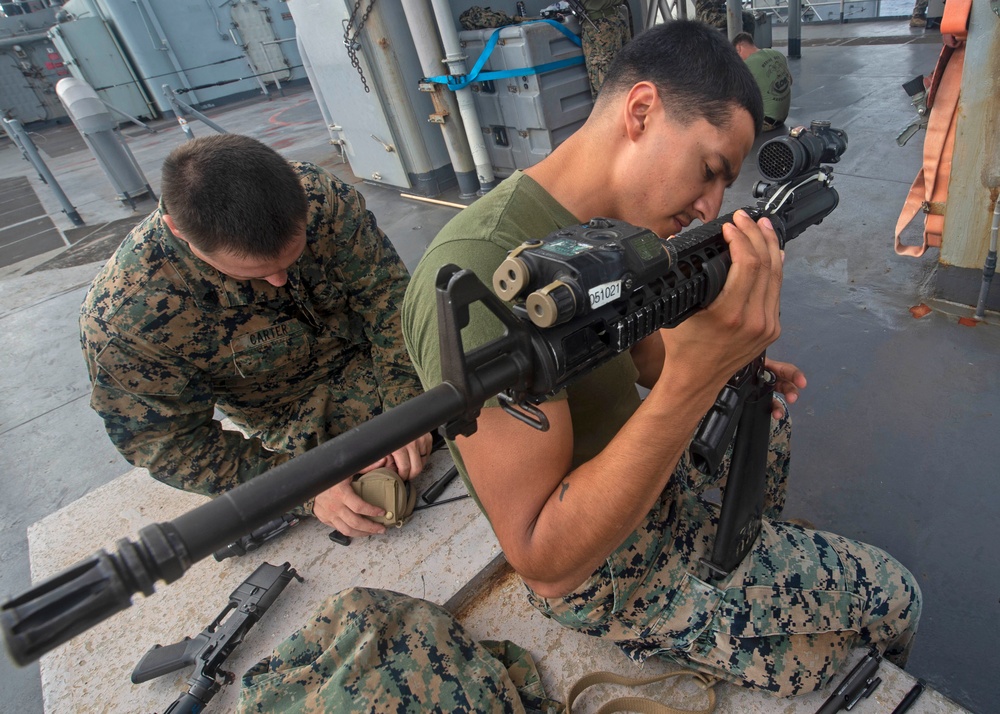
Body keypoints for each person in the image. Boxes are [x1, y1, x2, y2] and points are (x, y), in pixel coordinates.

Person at [402, 20, 920, 698]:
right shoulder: (480, 273)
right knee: (895, 597)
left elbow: (645, 356)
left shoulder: (615, 228)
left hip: (650, 487)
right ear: (641, 111)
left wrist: (728, 354)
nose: (711, 205)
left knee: (760, 405)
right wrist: (696, 379)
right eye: (709, 171)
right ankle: (723, 591)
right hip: (606, 568)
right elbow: (545, 558)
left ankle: (742, 563)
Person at [80, 134, 432, 538]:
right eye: (254, 272)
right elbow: (169, 445)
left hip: (387, 364)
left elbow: (389, 299)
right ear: (179, 231)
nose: (279, 279)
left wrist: (408, 408)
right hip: (295, 420)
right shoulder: (125, 316)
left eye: (292, 256)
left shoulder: (320, 196)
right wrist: (302, 486)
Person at [732, 31, 792, 132]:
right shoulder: (777, 54)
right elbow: (790, 81)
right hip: (782, 117)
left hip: (766, 123)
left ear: (739, 48)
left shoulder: (747, 65)